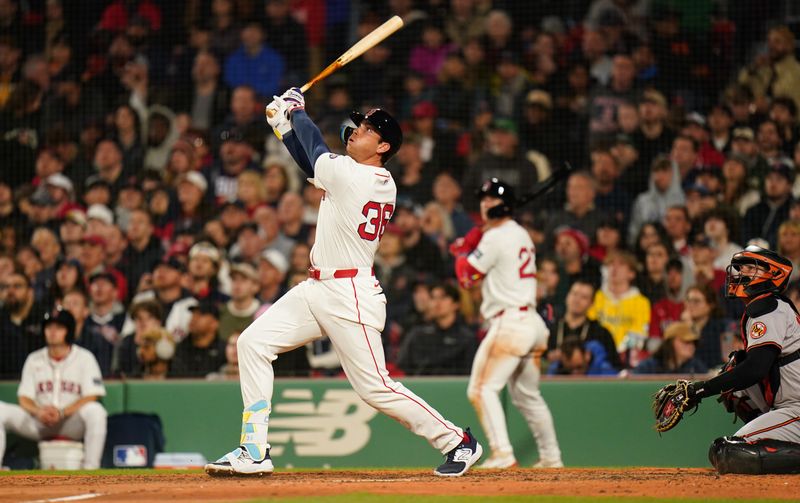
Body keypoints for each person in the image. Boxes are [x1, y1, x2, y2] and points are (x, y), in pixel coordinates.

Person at [205, 88, 482, 477]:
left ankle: (458, 441)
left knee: (375, 389)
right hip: (317, 288)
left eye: (368, 130)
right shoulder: (356, 175)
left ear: (383, 145)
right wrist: (284, 128)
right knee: (253, 343)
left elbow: (315, 149)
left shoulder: (359, 176)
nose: (356, 131)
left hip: (349, 293)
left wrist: (296, 113)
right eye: (360, 125)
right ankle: (253, 449)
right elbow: (312, 162)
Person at [450, 178, 562, 470]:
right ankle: (552, 458)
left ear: (506, 206)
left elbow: (466, 277)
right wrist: (474, 243)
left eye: (493, 199)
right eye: (483, 198)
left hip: (511, 322)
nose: (486, 203)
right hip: (532, 323)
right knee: (527, 397)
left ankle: (502, 453)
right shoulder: (519, 233)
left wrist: (463, 250)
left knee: (481, 389)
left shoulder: (497, 237)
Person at [659, 246, 800, 474]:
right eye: (740, 267)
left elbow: (755, 369)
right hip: (789, 405)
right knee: (733, 376)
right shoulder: (769, 306)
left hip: (796, 408)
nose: (740, 272)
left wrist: (699, 390)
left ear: (773, 274)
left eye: (750, 268)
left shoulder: (770, 308)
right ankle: (771, 428)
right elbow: (752, 369)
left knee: (728, 451)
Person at [0, 307, 107, 469]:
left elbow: (92, 395)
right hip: (39, 422)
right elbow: (24, 397)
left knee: (96, 411)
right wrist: (38, 411)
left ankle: (91, 469)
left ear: (68, 331)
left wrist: (63, 412)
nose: (52, 332)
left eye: (59, 328)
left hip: (70, 422)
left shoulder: (85, 358)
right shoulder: (34, 359)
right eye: (49, 327)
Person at [633, 321, 709, 375]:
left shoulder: (696, 367)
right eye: (686, 341)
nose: (691, 346)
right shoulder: (647, 367)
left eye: (694, 343)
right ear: (670, 342)